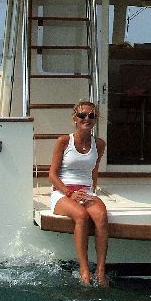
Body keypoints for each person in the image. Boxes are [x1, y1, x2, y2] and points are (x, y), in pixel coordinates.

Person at [49, 101, 108, 286]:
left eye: (91, 116)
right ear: (75, 118)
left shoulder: (99, 144)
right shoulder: (64, 141)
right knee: (81, 216)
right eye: (83, 115)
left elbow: (94, 171)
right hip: (63, 192)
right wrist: (69, 193)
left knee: (101, 216)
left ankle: (100, 270)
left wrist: (92, 192)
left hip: (86, 191)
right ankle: (84, 270)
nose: (87, 119)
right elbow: (52, 175)